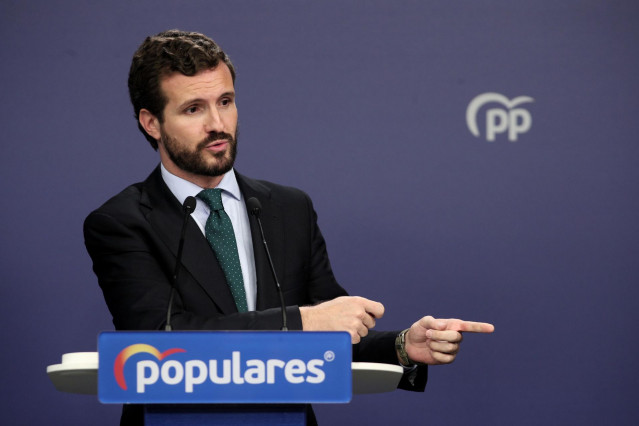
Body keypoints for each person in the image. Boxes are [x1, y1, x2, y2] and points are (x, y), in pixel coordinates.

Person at [84, 29, 494, 425]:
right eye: (194, 109)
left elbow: (331, 330)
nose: (218, 124)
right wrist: (304, 321)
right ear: (151, 122)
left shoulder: (287, 208)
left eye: (225, 101)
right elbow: (158, 339)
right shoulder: (122, 222)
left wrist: (404, 346)